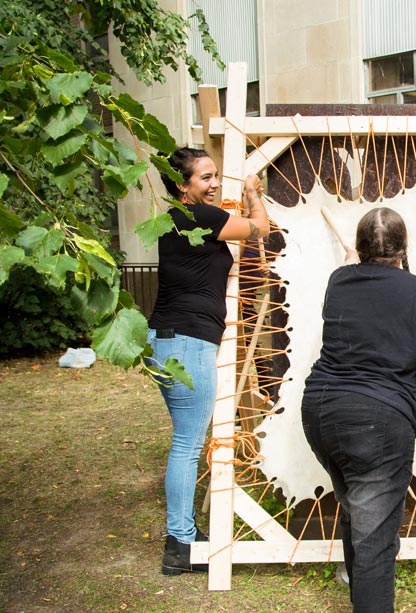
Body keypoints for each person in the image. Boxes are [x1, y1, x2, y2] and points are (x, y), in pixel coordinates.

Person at [300, 207, 416, 613]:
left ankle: (357, 585)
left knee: (356, 504)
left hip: (321, 409)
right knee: (375, 536)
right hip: (377, 421)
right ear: (404, 248)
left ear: (358, 247)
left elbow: (356, 273)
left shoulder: (339, 281)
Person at [147, 147, 270, 575]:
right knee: (187, 445)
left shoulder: (173, 220)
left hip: (166, 340)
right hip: (188, 342)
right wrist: (253, 191)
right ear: (183, 186)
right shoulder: (201, 217)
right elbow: (259, 229)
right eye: (205, 178)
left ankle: (183, 537)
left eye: (216, 175)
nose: (214, 183)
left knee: (186, 441)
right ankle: (180, 544)